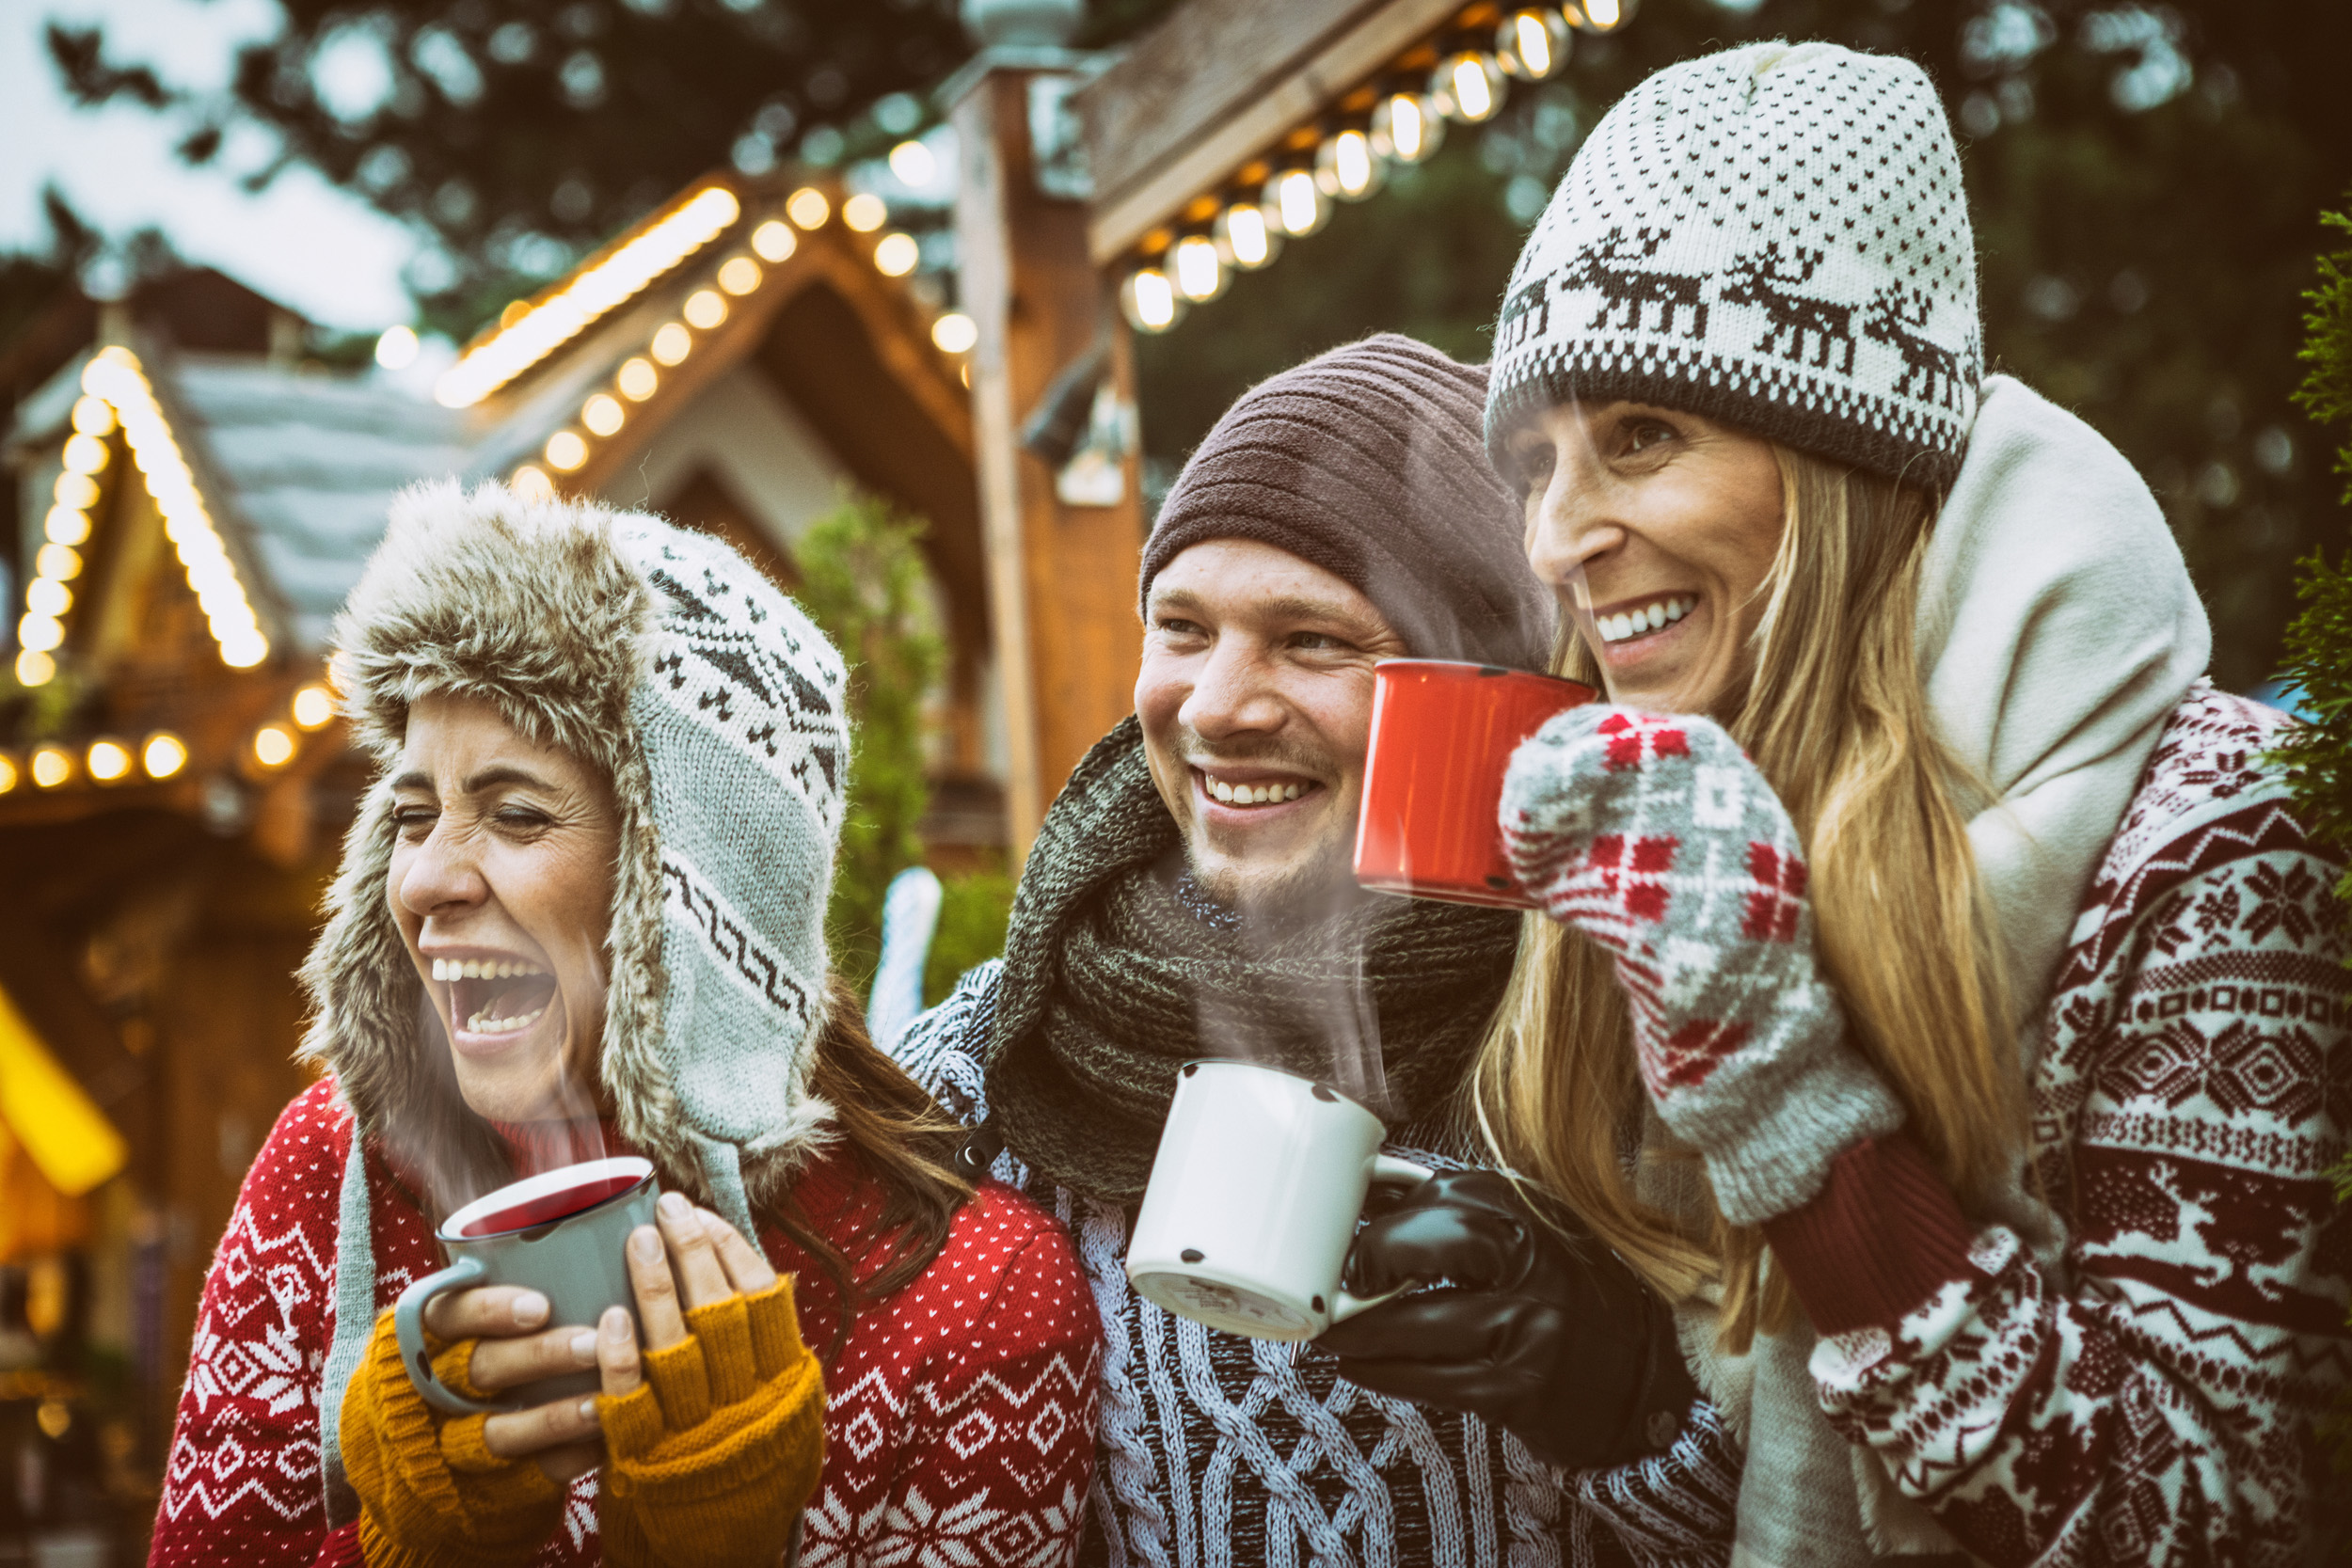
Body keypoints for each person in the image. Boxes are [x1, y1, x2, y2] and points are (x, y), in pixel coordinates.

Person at [1422, 39, 2348, 1566]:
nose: (1559, 539)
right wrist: (1587, 1380)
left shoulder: (2221, 832)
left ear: (1843, 457)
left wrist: (1794, 1112)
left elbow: (2210, 1519)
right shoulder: (1704, 843)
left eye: (1643, 437)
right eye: (1536, 464)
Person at [150, 483, 1102, 1567]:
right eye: (411, 814)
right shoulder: (335, 1172)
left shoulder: (976, 1299)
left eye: (514, 812)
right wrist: (405, 1547)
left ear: (700, 883)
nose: (423, 879)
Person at [895, 334, 1728, 1566]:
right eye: (1181, 626)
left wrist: (1643, 1410)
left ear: (1483, 685)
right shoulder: (993, 1055)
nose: (1218, 704)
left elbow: (1884, 1516)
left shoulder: (1648, 1020)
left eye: (1315, 640)